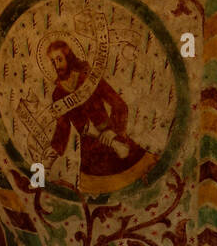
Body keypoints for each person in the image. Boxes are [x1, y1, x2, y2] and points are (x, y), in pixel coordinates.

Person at [35, 38, 156, 194]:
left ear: (68, 57)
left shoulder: (88, 79)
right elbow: (62, 128)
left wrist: (112, 132)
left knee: (141, 183)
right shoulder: (58, 94)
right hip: (90, 154)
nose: (57, 65)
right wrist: (48, 159)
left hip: (112, 139)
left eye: (59, 59)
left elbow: (119, 105)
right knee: (98, 195)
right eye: (53, 62)